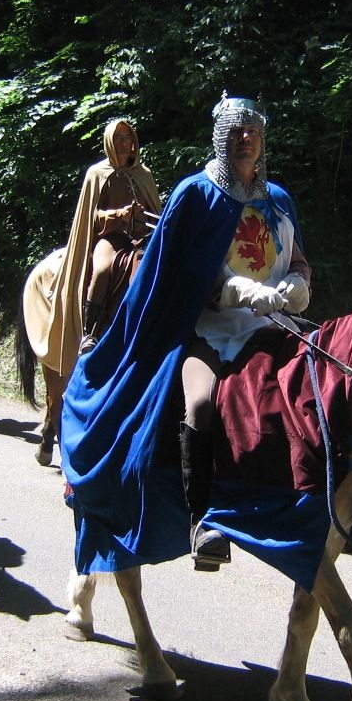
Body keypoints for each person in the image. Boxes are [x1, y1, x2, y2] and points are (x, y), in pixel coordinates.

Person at [59, 93, 310, 575]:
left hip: (272, 327)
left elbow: (298, 261)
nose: (245, 139)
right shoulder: (196, 194)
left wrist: (297, 285)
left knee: (324, 391)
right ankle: (204, 522)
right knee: (200, 403)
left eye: (253, 131)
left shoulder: (277, 201)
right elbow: (181, 271)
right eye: (236, 130)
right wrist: (233, 288)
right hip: (208, 331)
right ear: (221, 137)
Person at [39, 120, 160, 382]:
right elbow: (89, 218)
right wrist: (118, 215)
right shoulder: (97, 174)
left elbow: (155, 210)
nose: (124, 143)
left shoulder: (144, 174)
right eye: (118, 138)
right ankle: (90, 331)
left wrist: (147, 218)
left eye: (128, 137)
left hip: (141, 239)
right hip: (110, 238)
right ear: (109, 142)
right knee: (103, 270)